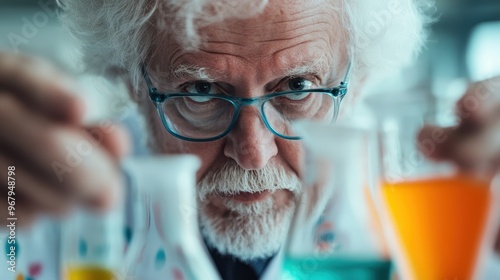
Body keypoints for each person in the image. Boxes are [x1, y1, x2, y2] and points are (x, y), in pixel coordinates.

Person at [1, 0, 499, 279]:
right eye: (200, 91)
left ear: (360, 81)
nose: (253, 149)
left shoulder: (448, 208)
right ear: (132, 84)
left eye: (299, 88)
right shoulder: (43, 200)